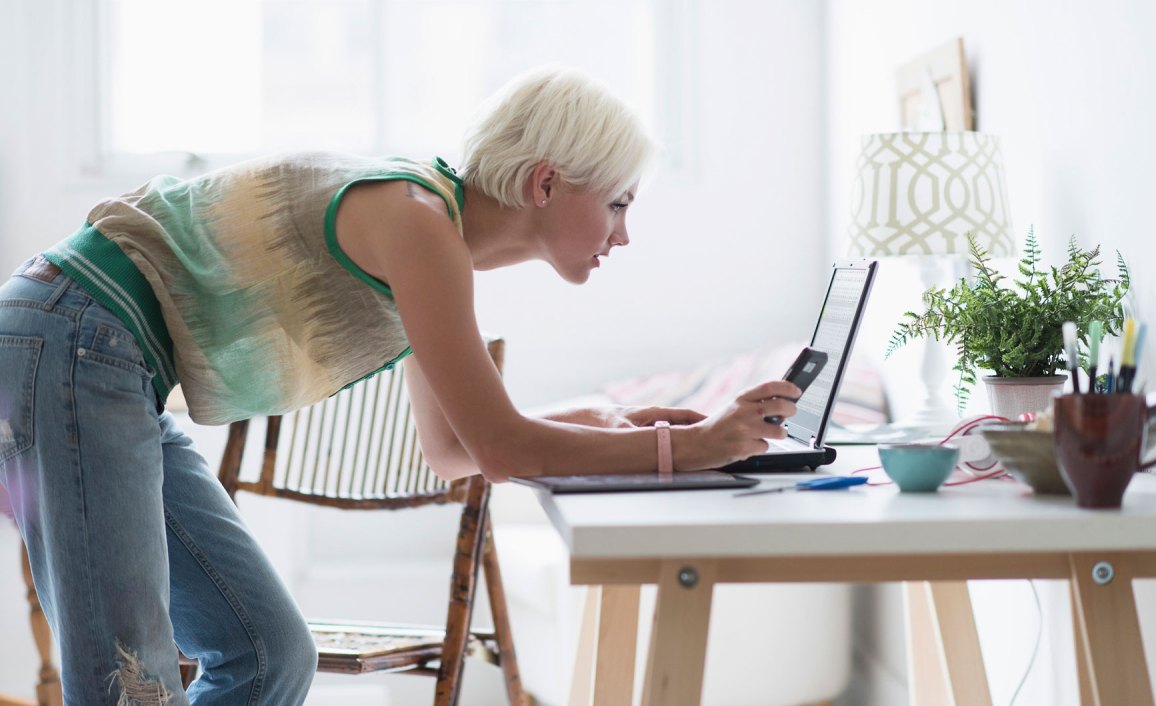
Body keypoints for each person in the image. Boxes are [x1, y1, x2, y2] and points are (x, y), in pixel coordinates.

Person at [0, 66, 802, 705]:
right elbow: (498, 448)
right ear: (547, 183)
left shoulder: (430, 233)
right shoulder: (416, 220)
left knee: (267, 652)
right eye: (619, 203)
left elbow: (453, 449)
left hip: (102, 355)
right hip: (77, 335)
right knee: (129, 682)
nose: (626, 233)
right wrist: (694, 446)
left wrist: (607, 423)